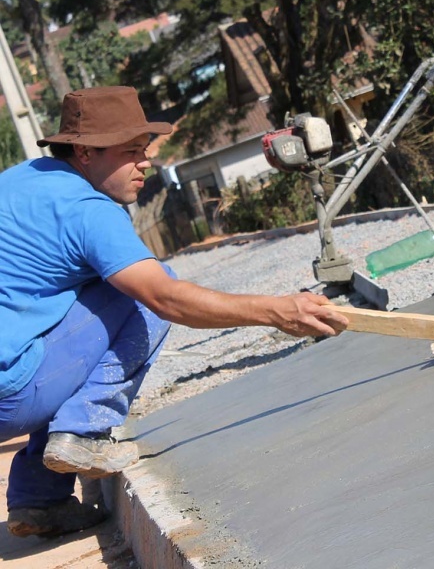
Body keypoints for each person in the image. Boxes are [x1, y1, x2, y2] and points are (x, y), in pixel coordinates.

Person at [0, 86, 348, 538]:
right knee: (143, 292)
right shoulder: (88, 211)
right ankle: (84, 433)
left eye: (144, 149)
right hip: (12, 393)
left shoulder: (18, 180)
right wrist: (278, 311)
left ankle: (41, 502)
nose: (145, 162)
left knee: (86, 296)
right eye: (130, 151)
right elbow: (167, 299)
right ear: (84, 152)